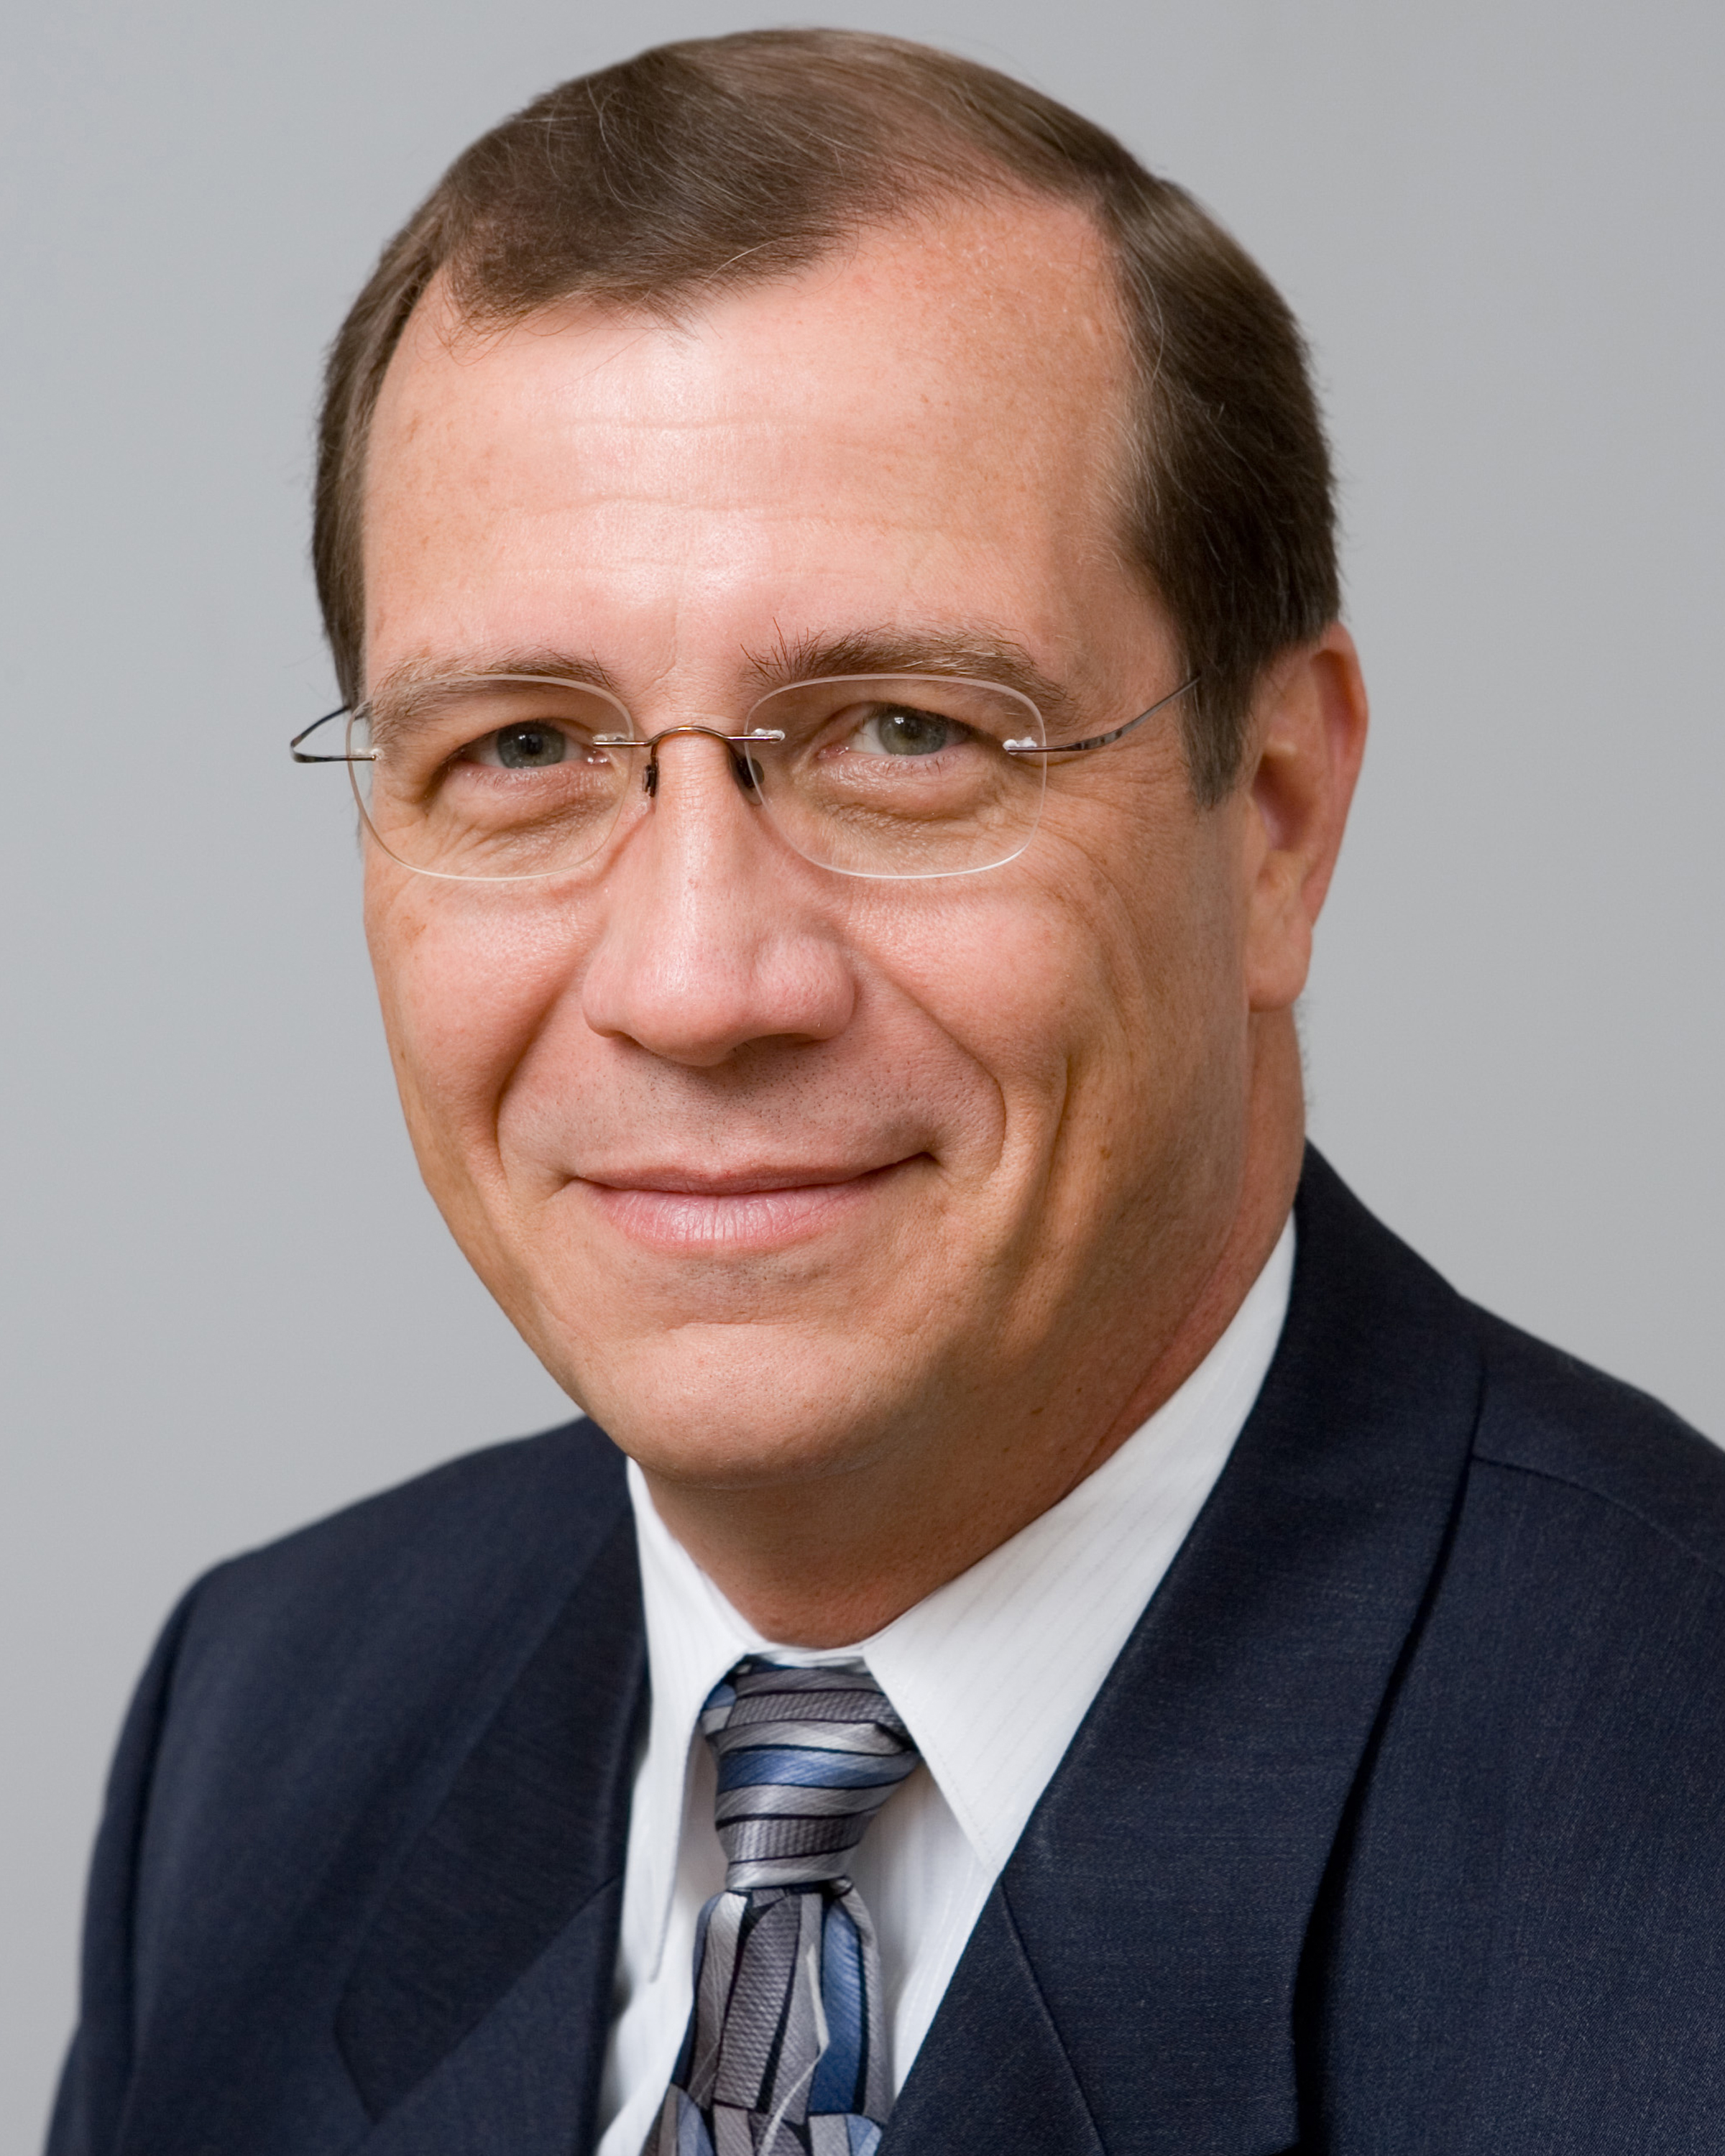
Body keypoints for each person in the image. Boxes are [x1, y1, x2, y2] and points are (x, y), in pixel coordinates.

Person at [49, 29, 1725, 2156]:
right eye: (525, 750)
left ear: (1276, 817)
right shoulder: (267, 1724)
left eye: (908, 733)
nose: (694, 984)